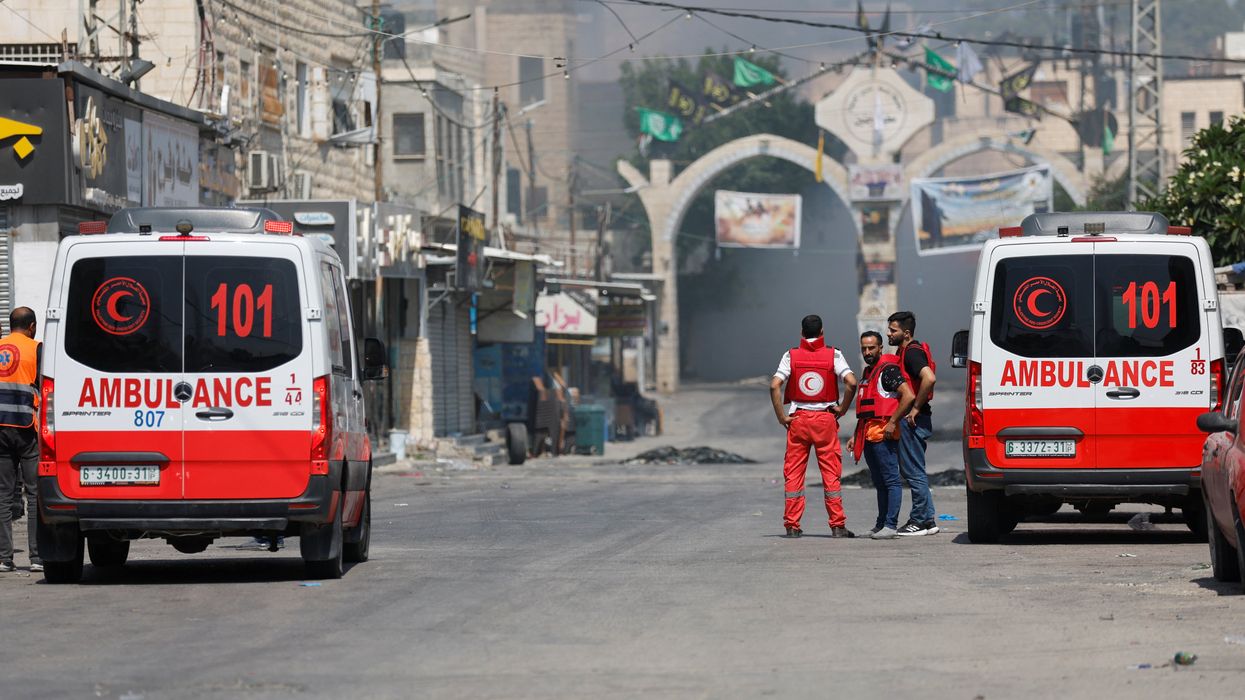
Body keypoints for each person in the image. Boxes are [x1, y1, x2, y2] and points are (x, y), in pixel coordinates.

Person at [769, 314, 858, 538]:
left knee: (794, 473)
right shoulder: (834, 354)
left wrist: (781, 416)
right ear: (822, 332)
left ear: (801, 333)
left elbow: (774, 386)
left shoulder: (791, 355)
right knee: (830, 474)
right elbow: (851, 383)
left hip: (798, 420)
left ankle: (792, 526)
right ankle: (837, 526)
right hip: (825, 420)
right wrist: (843, 408)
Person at [846, 331, 915, 540]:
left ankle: (890, 526)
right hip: (868, 436)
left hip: (883, 437)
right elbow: (867, 410)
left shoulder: (888, 371)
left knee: (891, 481)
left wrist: (893, 422)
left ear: (880, 348)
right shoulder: (868, 373)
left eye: (871, 348)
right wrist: (854, 436)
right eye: (864, 348)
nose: (867, 352)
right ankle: (880, 524)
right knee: (879, 482)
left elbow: (908, 395)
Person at [886, 310, 939, 536]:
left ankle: (917, 520)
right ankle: (928, 520)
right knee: (915, 470)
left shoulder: (912, 353)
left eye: (893, 330)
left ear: (906, 333)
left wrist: (915, 408)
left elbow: (929, 378)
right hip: (916, 419)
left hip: (913, 420)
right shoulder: (908, 351)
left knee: (913, 471)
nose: (888, 334)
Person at [0, 307, 41, 571]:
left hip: (0, 427)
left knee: (3, 494)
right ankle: (37, 557)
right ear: (32, 326)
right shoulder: (36, 349)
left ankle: (4, 558)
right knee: (35, 493)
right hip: (26, 428)